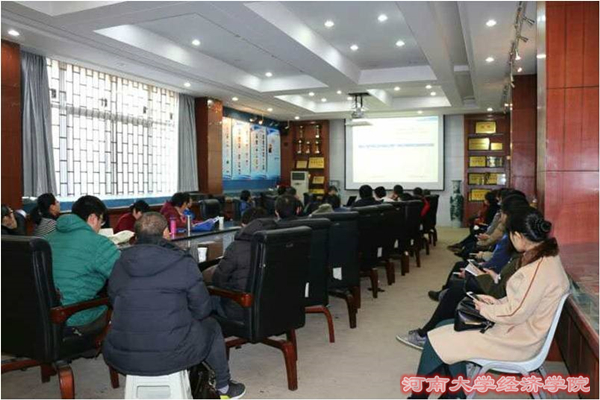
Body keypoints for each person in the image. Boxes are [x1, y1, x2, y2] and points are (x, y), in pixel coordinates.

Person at [406, 207, 569, 399]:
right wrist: (495, 302)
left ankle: (431, 396)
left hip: (516, 341)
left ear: (517, 235)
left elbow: (514, 312)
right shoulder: (546, 259)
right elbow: (523, 302)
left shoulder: (535, 270)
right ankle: (452, 394)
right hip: (518, 330)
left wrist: (484, 309)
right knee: (444, 327)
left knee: (437, 340)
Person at [103, 212, 245, 399]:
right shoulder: (182, 262)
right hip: (173, 354)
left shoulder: (119, 263)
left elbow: (114, 300)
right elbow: (202, 310)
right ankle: (224, 387)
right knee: (211, 326)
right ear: (166, 233)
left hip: (123, 353)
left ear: (135, 236)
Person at [398, 196, 529, 349]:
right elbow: (504, 275)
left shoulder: (518, 250)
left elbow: (501, 285)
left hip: (499, 299)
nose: (500, 217)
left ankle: (424, 334)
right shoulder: (525, 251)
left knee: (456, 290)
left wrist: (480, 275)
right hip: (497, 286)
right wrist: (489, 275)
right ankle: (428, 330)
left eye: (503, 213)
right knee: (457, 285)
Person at [46, 195, 119, 328]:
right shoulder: (99, 243)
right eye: (101, 221)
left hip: (44, 317)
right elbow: (125, 276)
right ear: (93, 218)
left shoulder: (47, 238)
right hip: (74, 317)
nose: (100, 227)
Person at [210, 207, 274, 320]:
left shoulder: (236, 248)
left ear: (244, 226)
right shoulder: (279, 243)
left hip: (241, 310)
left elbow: (218, 281)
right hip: (272, 307)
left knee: (205, 295)